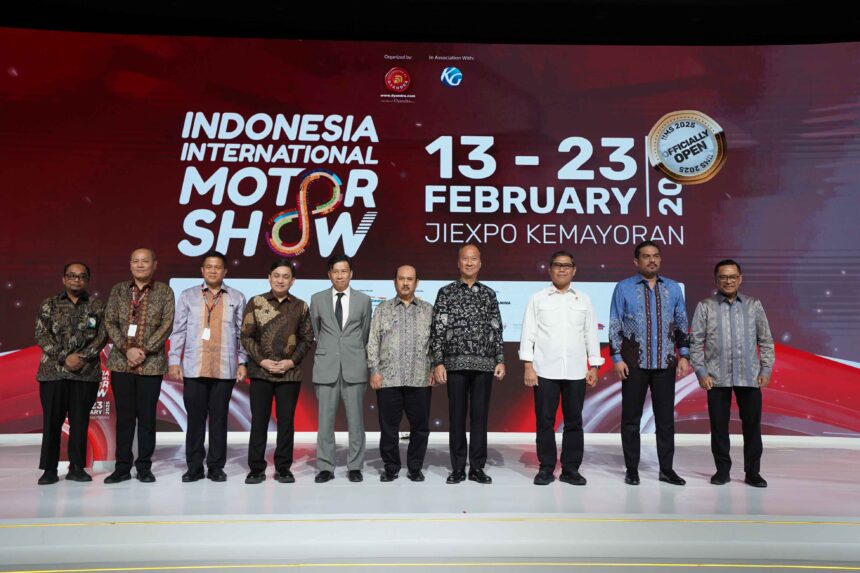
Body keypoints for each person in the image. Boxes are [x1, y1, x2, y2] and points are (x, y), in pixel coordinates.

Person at [519, 251, 604, 486]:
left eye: (567, 266)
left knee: (574, 421)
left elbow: (590, 333)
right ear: (550, 269)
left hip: (576, 371)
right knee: (545, 421)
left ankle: (570, 469)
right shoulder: (538, 298)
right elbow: (528, 333)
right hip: (544, 369)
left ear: (574, 270)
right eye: (557, 265)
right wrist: (528, 365)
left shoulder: (584, 299)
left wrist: (595, 366)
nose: (562, 269)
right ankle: (546, 468)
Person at [609, 240, 690, 486]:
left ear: (660, 259)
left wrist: (684, 355)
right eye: (646, 256)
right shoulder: (623, 288)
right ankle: (631, 469)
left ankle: (666, 469)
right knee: (631, 419)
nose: (651, 260)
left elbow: (681, 322)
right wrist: (616, 358)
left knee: (665, 420)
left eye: (655, 255)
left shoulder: (673, 288)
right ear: (636, 261)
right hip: (633, 363)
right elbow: (615, 323)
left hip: (665, 363)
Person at [690, 259, 775, 488]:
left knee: (752, 427)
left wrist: (766, 369)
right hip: (716, 378)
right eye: (723, 277)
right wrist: (701, 372)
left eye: (733, 277)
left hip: (750, 376)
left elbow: (766, 340)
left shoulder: (754, 305)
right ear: (716, 279)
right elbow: (695, 342)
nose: (728, 281)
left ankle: (753, 473)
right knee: (719, 427)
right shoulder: (705, 306)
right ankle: (722, 471)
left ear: (740, 279)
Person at [168, 251, 247, 483]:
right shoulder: (188, 296)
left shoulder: (237, 297)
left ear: (225, 271)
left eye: (217, 267)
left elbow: (242, 333)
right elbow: (178, 331)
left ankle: (215, 467)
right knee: (194, 420)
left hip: (225, 368)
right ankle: (194, 467)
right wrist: (174, 360)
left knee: (219, 420)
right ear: (202, 270)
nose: (213, 271)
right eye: (209, 267)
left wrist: (243, 362)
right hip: (194, 367)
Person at [430, 244, 505, 485]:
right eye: (465, 259)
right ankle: (458, 468)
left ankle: (477, 468)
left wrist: (500, 359)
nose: (470, 263)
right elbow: (438, 329)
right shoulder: (446, 292)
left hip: (484, 365)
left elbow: (496, 328)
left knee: (480, 418)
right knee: (457, 418)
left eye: (474, 259)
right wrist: (438, 362)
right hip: (455, 365)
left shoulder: (489, 294)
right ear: (458, 263)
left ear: (480, 263)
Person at [103, 248, 174, 483]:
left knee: (147, 418)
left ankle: (144, 466)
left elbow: (167, 324)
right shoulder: (119, 290)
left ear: (155, 264)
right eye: (135, 261)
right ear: (130, 264)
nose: (140, 265)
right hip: (121, 364)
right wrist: (127, 349)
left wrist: (143, 351)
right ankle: (122, 467)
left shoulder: (164, 291)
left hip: (151, 365)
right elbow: (110, 321)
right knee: (124, 418)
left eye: (145, 261)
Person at [240, 259, 314, 484]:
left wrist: (291, 362)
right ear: (269, 278)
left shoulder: (301, 306)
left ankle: (283, 468)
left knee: (286, 423)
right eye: (276, 275)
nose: (280, 280)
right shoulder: (256, 302)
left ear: (293, 280)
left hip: (288, 374)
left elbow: (307, 339)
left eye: (285, 276)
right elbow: (246, 336)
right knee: (259, 421)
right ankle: (256, 468)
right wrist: (261, 361)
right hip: (261, 372)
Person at [34, 263, 108, 485]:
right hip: (53, 373)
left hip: (85, 374)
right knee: (52, 423)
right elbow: (41, 334)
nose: (77, 280)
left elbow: (102, 336)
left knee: (80, 422)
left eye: (82, 276)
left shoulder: (96, 306)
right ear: (64, 279)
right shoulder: (49, 304)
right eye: (72, 276)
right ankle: (49, 469)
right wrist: (64, 357)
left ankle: (77, 467)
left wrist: (81, 357)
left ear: (87, 280)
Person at [366, 265, 434, 482]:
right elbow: (373, 341)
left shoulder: (428, 310)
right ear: (395, 281)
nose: (405, 283)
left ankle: (415, 467)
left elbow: (436, 343)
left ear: (417, 282)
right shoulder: (382, 309)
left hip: (420, 378)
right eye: (401, 278)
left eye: (410, 279)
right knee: (389, 428)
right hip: (388, 378)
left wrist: (434, 368)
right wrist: (374, 370)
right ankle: (391, 467)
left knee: (420, 428)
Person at [309, 254, 372, 483]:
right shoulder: (317, 299)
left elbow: (365, 333)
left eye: (344, 271)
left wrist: (350, 351)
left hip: (354, 366)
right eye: (335, 271)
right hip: (326, 366)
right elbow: (316, 331)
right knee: (325, 422)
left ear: (351, 273)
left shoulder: (364, 300)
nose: (340, 276)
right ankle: (325, 466)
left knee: (356, 421)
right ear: (329, 274)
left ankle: (355, 466)